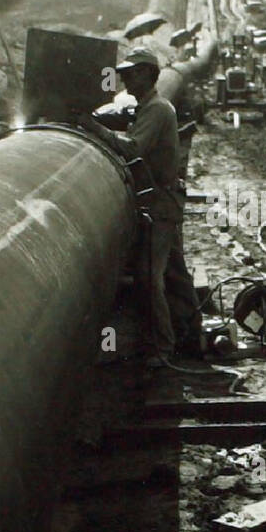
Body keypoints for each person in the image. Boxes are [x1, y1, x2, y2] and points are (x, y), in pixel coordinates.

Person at [83, 46, 203, 367]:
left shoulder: (158, 110)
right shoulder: (145, 107)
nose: (124, 80)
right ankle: (193, 334)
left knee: (150, 277)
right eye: (122, 75)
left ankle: (162, 349)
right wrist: (94, 116)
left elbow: (134, 146)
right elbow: (122, 120)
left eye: (131, 74)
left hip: (160, 203)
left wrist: (92, 128)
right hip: (166, 200)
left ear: (148, 75)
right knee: (176, 274)